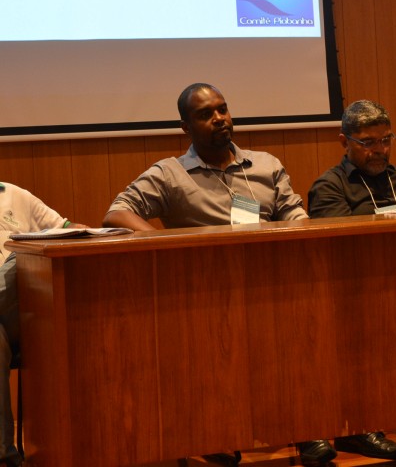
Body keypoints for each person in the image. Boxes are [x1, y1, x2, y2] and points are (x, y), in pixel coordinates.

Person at [102, 83, 337, 467]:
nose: (219, 118)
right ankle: (215, 433)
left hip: (269, 281)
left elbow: (295, 216)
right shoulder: (169, 173)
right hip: (203, 292)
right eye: (206, 114)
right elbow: (116, 213)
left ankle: (306, 426)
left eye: (223, 109)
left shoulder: (265, 165)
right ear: (185, 127)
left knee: (302, 323)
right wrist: (166, 246)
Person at [307, 99, 396, 462]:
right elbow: (338, 251)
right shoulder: (329, 187)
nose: (379, 150)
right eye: (367, 142)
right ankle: (359, 426)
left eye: (385, 140)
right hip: (355, 292)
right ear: (344, 141)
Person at [0, 182, 86, 466]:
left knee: (20, 260)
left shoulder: (14, 194)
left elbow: (67, 227)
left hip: (26, 313)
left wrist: (84, 232)